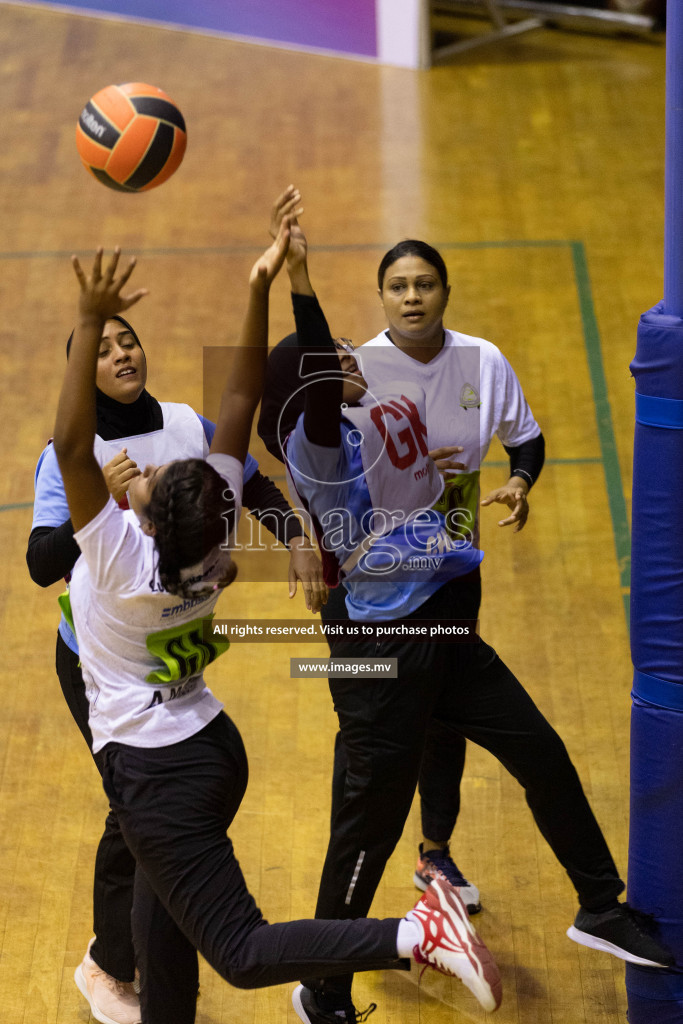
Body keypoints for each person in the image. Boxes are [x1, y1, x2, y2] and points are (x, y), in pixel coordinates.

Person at [50, 220, 504, 1024]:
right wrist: (259, 285)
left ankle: (411, 933)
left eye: (155, 477)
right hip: (212, 746)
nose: (152, 470)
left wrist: (88, 323)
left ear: (147, 520)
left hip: (159, 774)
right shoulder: (213, 516)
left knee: (242, 948)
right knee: (162, 922)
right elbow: (238, 400)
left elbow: (71, 441)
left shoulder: (117, 561)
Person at [278, 207, 673, 1024]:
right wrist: (295, 282)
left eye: (423, 283)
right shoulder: (320, 430)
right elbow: (315, 357)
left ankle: (598, 903)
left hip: (438, 624)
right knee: (363, 832)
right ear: (319, 381)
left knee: (540, 749)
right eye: (335, 358)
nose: (354, 353)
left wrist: (495, 481)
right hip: (377, 651)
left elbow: (435, 460)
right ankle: (321, 986)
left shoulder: (381, 406)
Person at [27, 313, 325, 1024]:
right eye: (100, 350)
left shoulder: (187, 424)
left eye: (127, 339)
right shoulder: (71, 457)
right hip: (101, 665)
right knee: (130, 813)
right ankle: (108, 966)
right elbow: (42, 564)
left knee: (145, 816)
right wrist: (92, 503)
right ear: (81, 376)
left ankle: (139, 965)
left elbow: (249, 486)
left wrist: (296, 539)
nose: (122, 352)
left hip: (175, 654)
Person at [258, 186, 546, 915]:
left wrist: (515, 479)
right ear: (380, 298)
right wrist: (310, 541)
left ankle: (435, 853)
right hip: (371, 582)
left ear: (445, 291)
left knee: (443, 709)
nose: (411, 297)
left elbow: (527, 439)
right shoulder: (358, 370)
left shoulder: (481, 361)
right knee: (375, 726)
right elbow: (301, 443)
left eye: (424, 284)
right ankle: (355, 852)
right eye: (397, 286)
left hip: (448, 551)